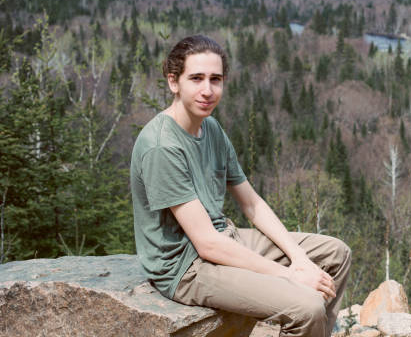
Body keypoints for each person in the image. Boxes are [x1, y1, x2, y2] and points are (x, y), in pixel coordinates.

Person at [130, 34, 351, 337]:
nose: (207, 90)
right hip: (187, 267)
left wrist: (300, 259)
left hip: (225, 238)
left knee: (336, 254)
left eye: (215, 79)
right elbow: (205, 243)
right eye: (196, 78)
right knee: (307, 306)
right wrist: (289, 276)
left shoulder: (210, 128)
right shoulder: (162, 147)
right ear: (173, 82)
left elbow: (251, 204)